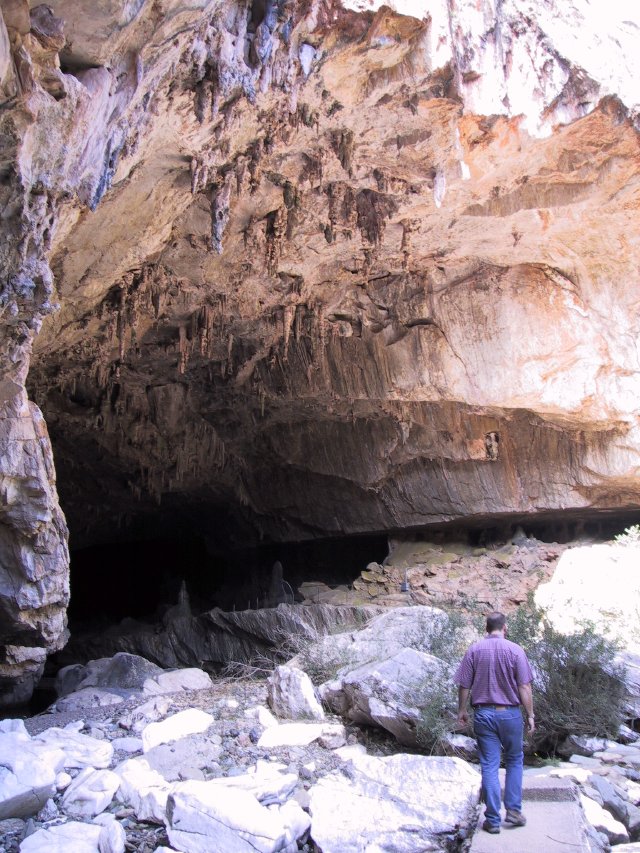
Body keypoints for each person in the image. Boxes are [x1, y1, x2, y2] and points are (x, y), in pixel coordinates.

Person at [454, 611, 535, 834]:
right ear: (505, 628)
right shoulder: (516, 650)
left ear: (486, 628)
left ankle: (493, 819)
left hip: (483, 714)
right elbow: (525, 687)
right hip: (510, 713)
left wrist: (462, 710)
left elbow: (464, 685)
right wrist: (530, 715)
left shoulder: (474, 650)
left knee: (489, 764)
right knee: (515, 760)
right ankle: (514, 811)